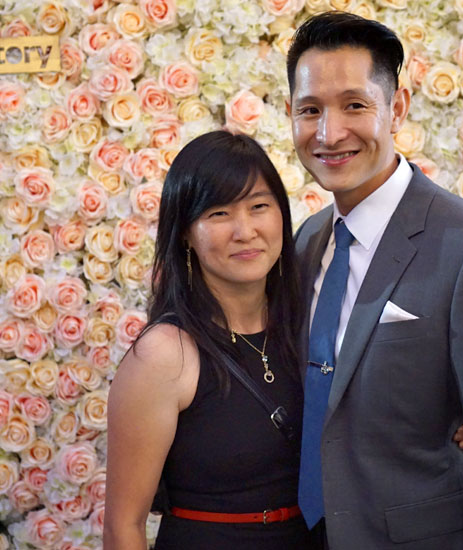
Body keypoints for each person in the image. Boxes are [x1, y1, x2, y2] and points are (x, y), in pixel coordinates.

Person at [286, 12, 463, 550]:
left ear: (398, 108)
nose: (330, 132)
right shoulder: (307, 241)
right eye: (310, 109)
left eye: (355, 105)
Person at [104, 131, 319, 550]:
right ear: (185, 232)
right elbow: (123, 527)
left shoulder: (307, 325)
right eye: (219, 214)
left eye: (259, 207)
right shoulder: (166, 354)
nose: (245, 231)